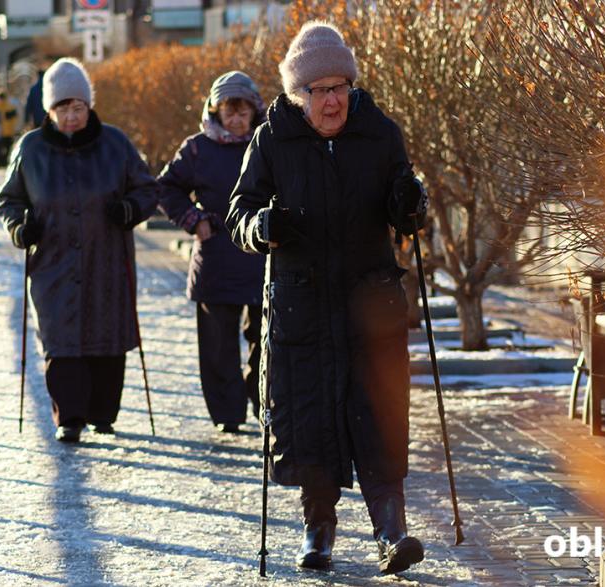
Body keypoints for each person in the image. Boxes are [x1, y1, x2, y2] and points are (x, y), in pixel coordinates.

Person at [226, 21, 428, 574]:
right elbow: (239, 212)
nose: (333, 100)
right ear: (299, 93)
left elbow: (405, 204)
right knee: (311, 423)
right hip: (303, 308)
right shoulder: (272, 139)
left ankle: (392, 532)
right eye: (320, 90)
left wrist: (410, 203)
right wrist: (261, 226)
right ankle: (319, 531)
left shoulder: (379, 133)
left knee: (380, 416)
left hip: (370, 305)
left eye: (340, 87)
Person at [0, 58, 159, 443]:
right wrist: (20, 228)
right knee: (60, 338)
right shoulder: (30, 149)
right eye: (63, 108)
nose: (71, 116)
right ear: (49, 110)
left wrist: (129, 210)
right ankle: (69, 418)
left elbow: (147, 189)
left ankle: (103, 413)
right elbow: (9, 200)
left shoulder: (115, 143)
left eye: (78, 107)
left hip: (107, 258)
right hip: (52, 262)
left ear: (89, 106)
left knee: (107, 334)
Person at [157, 71, 266, 434]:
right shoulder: (197, 148)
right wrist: (194, 219)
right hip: (217, 254)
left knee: (266, 338)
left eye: (242, 112)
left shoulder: (268, 143)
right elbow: (166, 188)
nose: (235, 120)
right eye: (228, 112)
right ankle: (227, 413)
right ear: (215, 111)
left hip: (262, 253)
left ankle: (264, 402)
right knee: (218, 344)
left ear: (254, 110)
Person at [0, 89, 19, 167]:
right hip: (7, 132)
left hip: (0, 132)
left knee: (1, 148)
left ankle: (1, 162)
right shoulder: (10, 107)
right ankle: (3, 162)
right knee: (6, 148)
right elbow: (15, 119)